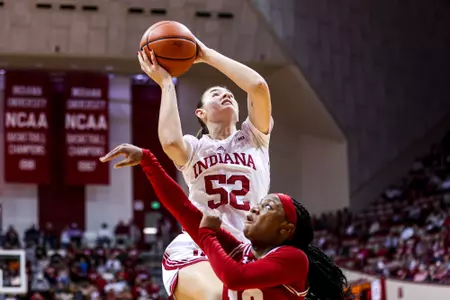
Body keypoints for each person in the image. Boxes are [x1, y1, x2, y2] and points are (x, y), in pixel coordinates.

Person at [100, 145, 348, 300]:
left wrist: (208, 233)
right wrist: (147, 159)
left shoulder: (294, 258)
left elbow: (235, 277)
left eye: (266, 207)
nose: (254, 209)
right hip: (191, 257)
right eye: (259, 203)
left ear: (286, 229)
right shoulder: (242, 250)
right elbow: (184, 209)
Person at [137, 36, 272, 299]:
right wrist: (166, 84)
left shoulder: (255, 138)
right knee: (218, 295)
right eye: (215, 93)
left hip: (247, 249)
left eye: (230, 93)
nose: (227, 94)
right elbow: (170, 142)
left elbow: (257, 86)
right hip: (197, 246)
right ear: (200, 113)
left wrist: (206, 54)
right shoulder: (194, 147)